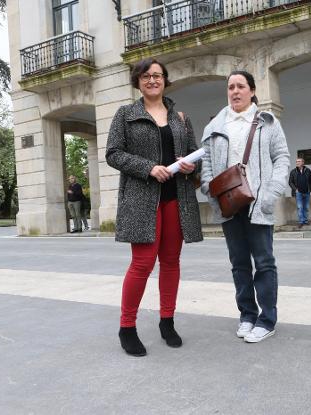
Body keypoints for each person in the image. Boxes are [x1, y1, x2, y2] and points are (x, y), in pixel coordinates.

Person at [106, 58, 203, 356]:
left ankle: (167, 321)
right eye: (146, 76)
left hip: (177, 198)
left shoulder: (180, 118)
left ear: (165, 80)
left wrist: (189, 167)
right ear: (138, 81)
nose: (152, 80)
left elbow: (193, 156)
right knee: (143, 263)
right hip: (141, 200)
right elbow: (113, 154)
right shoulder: (125, 115)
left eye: (158, 75)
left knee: (171, 262)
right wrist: (149, 167)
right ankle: (127, 327)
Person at [200, 70, 290, 343]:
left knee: (264, 263)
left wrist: (270, 194)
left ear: (252, 91)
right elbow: (205, 164)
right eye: (230, 87)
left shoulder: (267, 122)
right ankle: (247, 315)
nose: (235, 91)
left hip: (258, 203)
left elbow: (282, 158)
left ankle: (267, 319)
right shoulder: (214, 126)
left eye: (240, 86)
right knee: (239, 263)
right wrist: (209, 190)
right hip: (229, 204)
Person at [288, 158, 311, 228]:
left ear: (303, 162)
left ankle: (305, 221)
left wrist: (310, 189)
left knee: (306, 207)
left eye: (299, 161)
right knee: (300, 207)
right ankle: (301, 221)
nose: (297, 163)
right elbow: (290, 182)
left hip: (307, 192)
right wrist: (295, 189)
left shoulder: (308, 170)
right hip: (298, 192)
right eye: (296, 162)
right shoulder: (293, 171)